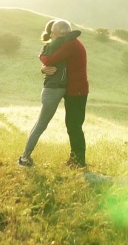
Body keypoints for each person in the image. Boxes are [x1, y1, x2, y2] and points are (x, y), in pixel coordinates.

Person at [17, 20, 80, 167]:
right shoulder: (56, 45)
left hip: (53, 89)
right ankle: (24, 158)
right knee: (41, 125)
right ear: (57, 34)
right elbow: (72, 35)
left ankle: (25, 157)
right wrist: (43, 66)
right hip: (53, 90)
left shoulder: (56, 45)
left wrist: (43, 66)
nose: (66, 35)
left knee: (40, 124)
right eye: (54, 32)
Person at [40, 20, 89, 168]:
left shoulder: (70, 44)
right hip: (76, 89)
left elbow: (50, 59)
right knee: (73, 125)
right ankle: (75, 159)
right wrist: (43, 68)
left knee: (74, 126)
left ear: (59, 33)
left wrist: (41, 56)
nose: (54, 37)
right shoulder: (71, 42)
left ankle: (78, 161)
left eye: (54, 34)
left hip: (77, 90)